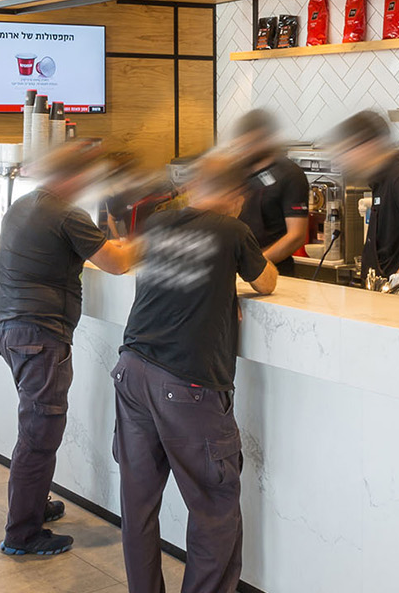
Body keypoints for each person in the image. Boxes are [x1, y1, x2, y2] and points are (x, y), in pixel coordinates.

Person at [112, 154, 277, 593]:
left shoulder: (158, 224)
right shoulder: (232, 230)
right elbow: (268, 282)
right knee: (214, 510)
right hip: (186, 384)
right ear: (231, 195)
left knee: (139, 504)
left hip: (131, 372)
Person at [0, 141, 135, 557]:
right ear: (75, 178)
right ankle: (22, 535)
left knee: (35, 430)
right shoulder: (68, 214)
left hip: (14, 332)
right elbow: (117, 263)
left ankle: (33, 508)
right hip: (41, 338)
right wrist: (153, 241)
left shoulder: (24, 204)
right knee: (39, 437)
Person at [329, 111, 399, 290]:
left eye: (348, 150)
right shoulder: (381, 180)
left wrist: (398, 282)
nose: (345, 158)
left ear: (368, 145)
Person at [226, 109, 310, 275]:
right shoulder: (236, 172)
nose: (244, 150)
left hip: (275, 271)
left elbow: (296, 235)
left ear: (265, 139)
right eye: (242, 144)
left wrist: (256, 265)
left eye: (249, 144)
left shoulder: (290, 174)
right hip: (236, 270)